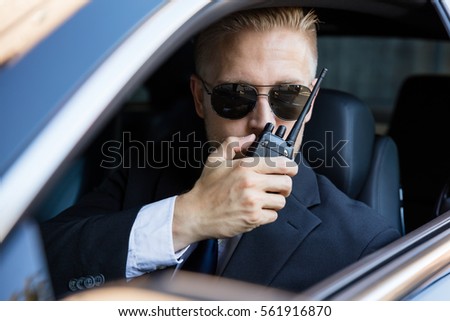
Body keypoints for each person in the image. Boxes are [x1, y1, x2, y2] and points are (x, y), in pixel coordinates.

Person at [40, 7, 401, 299]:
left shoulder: (365, 243)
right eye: (235, 97)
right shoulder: (142, 178)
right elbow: (34, 267)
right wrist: (184, 219)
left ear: (311, 101)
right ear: (200, 98)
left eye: (288, 97)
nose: (263, 121)